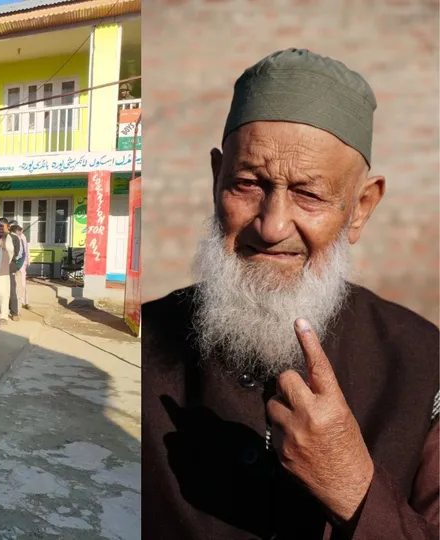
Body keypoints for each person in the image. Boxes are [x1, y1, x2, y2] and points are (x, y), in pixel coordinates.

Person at [142, 49, 439, 539]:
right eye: (247, 184)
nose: (273, 225)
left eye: (310, 194)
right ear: (217, 179)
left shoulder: (422, 359)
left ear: (361, 208)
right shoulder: (151, 344)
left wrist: (355, 488)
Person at [0, 218, 18, 323]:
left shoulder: (7, 237)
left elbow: (11, 252)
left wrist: (5, 263)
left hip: (3, 268)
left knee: (4, 293)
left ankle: (3, 315)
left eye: (2, 226)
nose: (0, 228)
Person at [13, 224, 29, 309]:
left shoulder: (22, 237)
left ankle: (23, 301)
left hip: (19, 264)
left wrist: (20, 265)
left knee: (21, 284)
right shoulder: (17, 237)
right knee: (19, 284)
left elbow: (24, 252)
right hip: (18, 264)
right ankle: (22, 301)